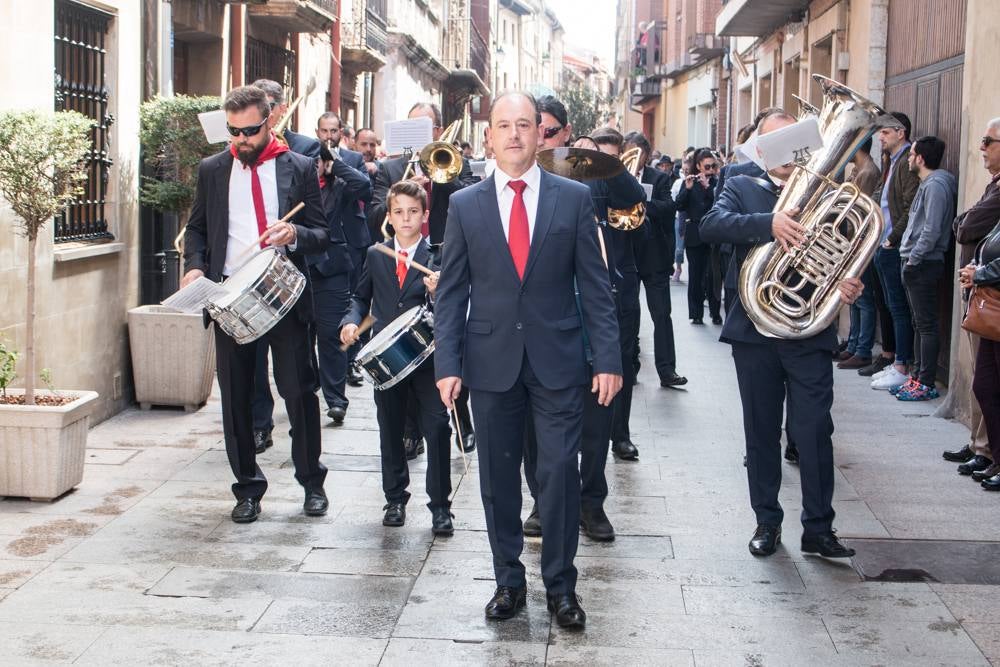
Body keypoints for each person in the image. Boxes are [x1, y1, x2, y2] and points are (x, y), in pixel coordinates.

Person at [434, 91, 622, 629]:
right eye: (503, 125)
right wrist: (447, 363)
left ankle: (562, 588)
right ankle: (507, 582)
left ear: (542, 134)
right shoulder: (465, 205)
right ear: (488, 136)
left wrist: (606, 357)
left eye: (525, 124)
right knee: (495, 478)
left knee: (560, 472)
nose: (514, 134)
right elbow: (451, 293)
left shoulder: (572, 198)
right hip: (489, 362)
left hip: (559, 360)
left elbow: (595, 286)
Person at [700, 110, 863, 559]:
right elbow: (710, 227)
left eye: (795, 138)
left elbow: (847, 250)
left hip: (809, 330)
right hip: (755, 331)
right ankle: (767, 522)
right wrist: (767, 224)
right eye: (775, 140)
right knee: (761, 432)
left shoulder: (828, 193)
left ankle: (819, 528)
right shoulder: (740, 185)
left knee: (813, 431)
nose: (788, 149)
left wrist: (848, 281)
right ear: (758, 146)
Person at [181, 85, 330, 523]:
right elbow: (197, 230)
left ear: (269, 122)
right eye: (233, 131)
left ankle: (311, 483)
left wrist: (296, 235)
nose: (241, 140)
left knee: (299, 392)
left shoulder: (299, 167)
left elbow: (323, 235)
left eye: (249, 131)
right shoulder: (212, 169)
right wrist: (194, 266)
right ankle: (247, 488)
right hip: (230, 296)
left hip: (283, 292)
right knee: (237, 398)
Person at [340, 180, 454, 533]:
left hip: (428, 356)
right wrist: (350, 322)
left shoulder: (438, 256)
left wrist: (438, 294)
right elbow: (361, 297)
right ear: (389, 216)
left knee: (436, 427)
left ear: (425, 215)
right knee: (390, 428)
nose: (406, 219)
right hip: (387, 358)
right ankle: (394, 499)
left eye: (413, 212)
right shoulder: (377, 254)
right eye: (399, 212)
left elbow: (455, 307)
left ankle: (440, 506)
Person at [368, 102, 478, 457]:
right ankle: (411, 432)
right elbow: (373, 215)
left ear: (437, 131)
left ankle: (461, 418)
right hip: (403, 263)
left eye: (426, 127)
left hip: (443, 254)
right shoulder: (388, 168)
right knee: (410, 351)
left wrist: (439, 180)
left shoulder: (450, 160)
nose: (420, 133)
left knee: (451, 340)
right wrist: (403, 189)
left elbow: (470, 195)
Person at [248, 79, 322, 453]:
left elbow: (320, 228)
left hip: (286, 283)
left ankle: (308, 465)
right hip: (243, 285)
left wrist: (292, 232)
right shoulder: (224, 163)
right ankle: (260, 425)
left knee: (296, 382)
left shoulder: (304, 152)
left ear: (276, 109)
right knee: (252, 370)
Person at [308, 118, 373, 425]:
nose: (314, 166)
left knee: (331, 336)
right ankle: (308, 389)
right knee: (302, 337)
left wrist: (337, 165)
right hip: (301, 269)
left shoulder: (340, 184)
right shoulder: (296, 187)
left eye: (318, 162)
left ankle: (336, 399)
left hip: (332, 268)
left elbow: (364, 185)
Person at [945, 118, 1000, 475]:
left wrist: (981, 272)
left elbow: (965, 226)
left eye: (988, 140)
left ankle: (988, 452)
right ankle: (982, 448)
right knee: (986, 381)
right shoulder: (994, 185)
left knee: (988, 382)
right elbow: (965, 224)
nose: (981, 146)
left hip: (991, 298)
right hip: (982, 296)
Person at [624, 131, 686, 389]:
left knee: (661, 315)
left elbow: (669, 208)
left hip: (654, 257)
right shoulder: (617, 176)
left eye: (639, 153)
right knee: (630, 314)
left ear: (646, 155)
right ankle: (631, 366)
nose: (634, 158)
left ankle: (667, 370)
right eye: (630, 151)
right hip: (627, 255)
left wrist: (641, 204)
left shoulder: (659, 178)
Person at [896, 136, 956, 401]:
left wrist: (913, 259)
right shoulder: (928, 184)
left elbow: (931, 230)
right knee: (919, 324)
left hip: (923, 264)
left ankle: (926, 382)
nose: (908, 159)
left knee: (927, 325)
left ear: (920, 158)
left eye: (911, 154)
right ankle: (917, 377)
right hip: (916, 262)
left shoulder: (936, 187)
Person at [869, 112, 920, 392]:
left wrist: (892, 239)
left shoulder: (906, 162)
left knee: (899, 308)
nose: (880, 137)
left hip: (893, 245)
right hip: (884, 243)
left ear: (901, 132)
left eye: (885, 132)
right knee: (889, 306)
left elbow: (911, 205)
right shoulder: (892, 161)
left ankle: (901, 364)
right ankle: (896, 361)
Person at [959, 217, 1000, 489]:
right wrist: (977, 266)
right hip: (992, 308)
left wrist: (980, 274)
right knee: (985, 386)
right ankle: (996, 457)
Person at [836, 137, 882, 370]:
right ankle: (853, 345)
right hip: (851, 239)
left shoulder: (868, 172)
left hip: (859, 241)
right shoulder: (858, 170)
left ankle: (862, 349)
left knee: (862, 298)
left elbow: (859, 209)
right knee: (853, 298)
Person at [676, 148, 721, 324]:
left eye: (713, 166)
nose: (710, 170)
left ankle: (715, 312)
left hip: (714, 234)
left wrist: (708, 187)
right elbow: (679, 206)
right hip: (694, 233)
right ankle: (695, 313)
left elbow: (720, 202)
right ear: (698, 166)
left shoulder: (717, 183)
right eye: (707, 166)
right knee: (695, 275)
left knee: (713, 274)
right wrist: (687, 189)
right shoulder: (689, 182)